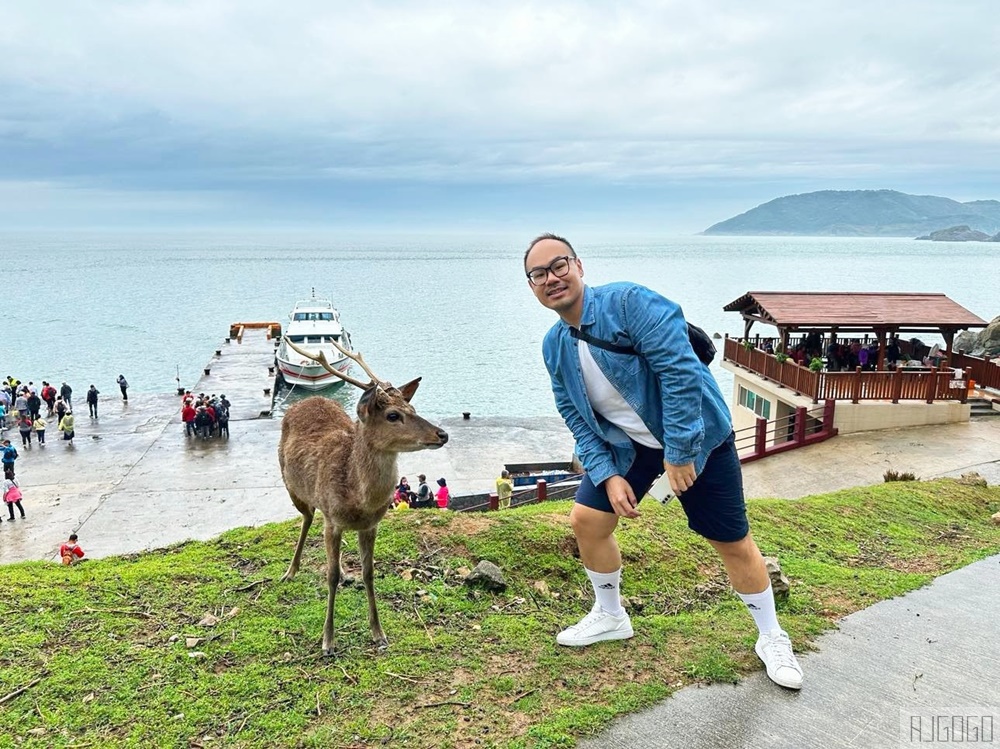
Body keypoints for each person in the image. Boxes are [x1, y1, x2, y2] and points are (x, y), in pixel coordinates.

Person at [523, 233, 803, 690]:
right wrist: (607, 473)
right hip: (630, 446)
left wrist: (679, 453)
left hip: (699, 436)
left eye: (559, 265)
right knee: (587, 521)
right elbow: (573, 413)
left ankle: (771, 636)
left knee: (731, 540)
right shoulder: (554, 345)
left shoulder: (629, 303)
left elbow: (681, 374)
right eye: (539, 274)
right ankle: (611, 615)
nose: (551, 278)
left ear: (579, 266)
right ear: (532, 287)